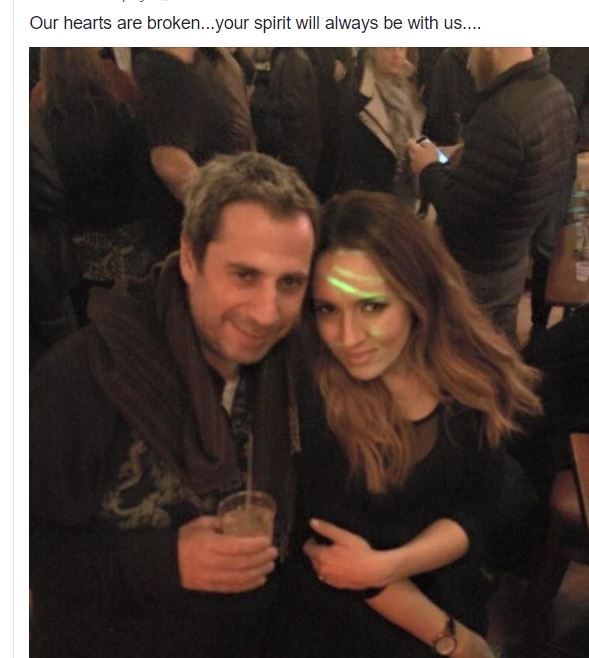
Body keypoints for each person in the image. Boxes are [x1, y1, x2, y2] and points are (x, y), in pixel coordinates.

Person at [29, 153, 320, 658]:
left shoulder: (297, 367)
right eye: (245, 275)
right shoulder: (84, 377)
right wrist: (163, 561)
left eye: (289, 283)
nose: (267, 313)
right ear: (189, 258)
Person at [273, 191, 541, 658]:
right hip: (345, 618)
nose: (347, 338)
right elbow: (339, 563)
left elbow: (480, 502)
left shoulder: (468, 371)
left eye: (372, 306)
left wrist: (391, 565)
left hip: (442, 592)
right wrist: (460, 644)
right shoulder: (313, 395)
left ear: (417, 295)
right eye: (328, 309)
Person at [408, 47, 577, 344]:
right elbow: (521, 168)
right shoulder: (555, 93)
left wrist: (428, 167)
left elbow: (459, 212)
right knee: (500, 342)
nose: (469, 64)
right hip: (513, 255)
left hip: (477, 268)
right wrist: (464, 155)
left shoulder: (501, 114)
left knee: (466, 352)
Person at [337, 48, 424, 207]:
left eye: (401, 47)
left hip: (404, 191)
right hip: (373, 196)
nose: (397, 54)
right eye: (388, 48)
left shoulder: (409, 88)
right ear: (374, 51)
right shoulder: (359, 95)